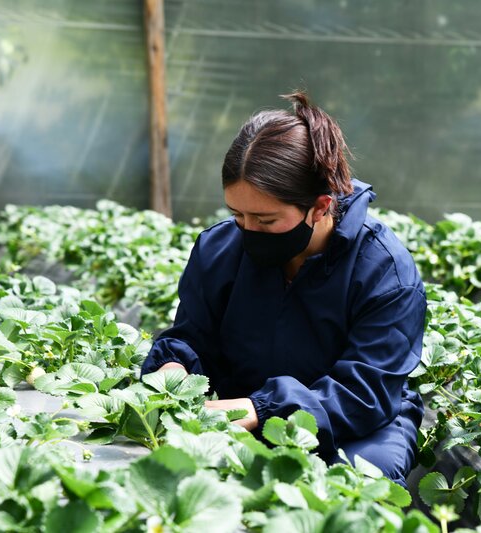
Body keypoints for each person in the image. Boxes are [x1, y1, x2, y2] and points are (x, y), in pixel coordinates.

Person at [140, 91, 426, 488]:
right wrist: (174, 368)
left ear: (321, 206)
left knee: (354, 486)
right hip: (244, 408)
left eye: (266, 219)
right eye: (237, 214)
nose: (248, 230)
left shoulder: (384, 271)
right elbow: (191, 336)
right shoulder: (219, 249)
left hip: (358, 425)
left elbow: (366, 392)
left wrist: (264, 407)